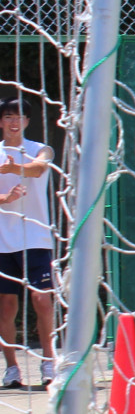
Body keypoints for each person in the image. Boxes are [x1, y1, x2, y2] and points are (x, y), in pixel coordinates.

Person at [0, 100, 57, 389]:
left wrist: (13, 167)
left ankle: (48, 363)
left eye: (19, 116)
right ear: (0, 122)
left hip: (35, 238)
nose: (13, 121)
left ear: (26, 121)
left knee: (42, 301)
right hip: (2, 243)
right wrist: (5, 199)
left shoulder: (41, 148)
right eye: (8, 116)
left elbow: (38, 169)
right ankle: (12, 369)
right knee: (6, 307)